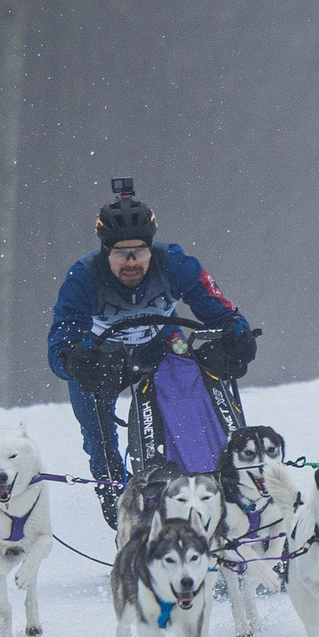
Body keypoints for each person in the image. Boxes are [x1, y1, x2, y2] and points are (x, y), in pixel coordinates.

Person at [46, 183, 257, 526]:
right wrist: (72, 360)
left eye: (139, 251)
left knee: (191, 390)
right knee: (97, 436)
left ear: (151, 248)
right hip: (103, 359)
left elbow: (218, 309)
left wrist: (238, 332)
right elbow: (59, 344)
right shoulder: (82, 277)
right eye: (120, 253)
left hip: (159, 345)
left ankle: (208, 484)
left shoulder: (175, 262)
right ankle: (120, 507)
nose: (131, 262)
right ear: (104, 252)